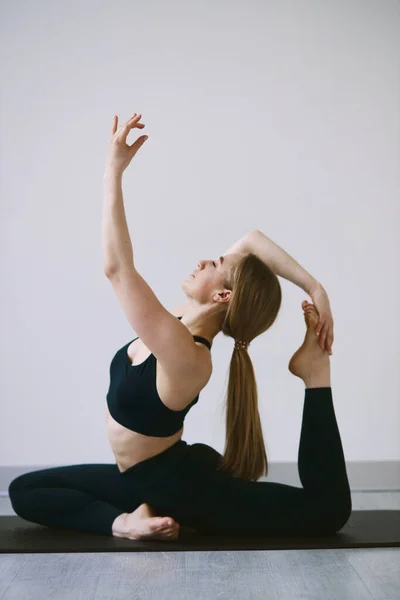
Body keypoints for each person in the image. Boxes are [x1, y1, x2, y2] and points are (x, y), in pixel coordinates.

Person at [8, 113, 351, 541]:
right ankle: (128, 519)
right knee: (25, 489)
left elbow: (116, 269)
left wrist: (113, 170)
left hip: (187, 492)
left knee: (327, 512)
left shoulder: (185, 353)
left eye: (216, 264)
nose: (204, 260)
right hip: (144, 476)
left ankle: (315, 373)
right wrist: (315, 287)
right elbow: (251, 240)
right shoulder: (178, 319)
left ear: (223, 296)